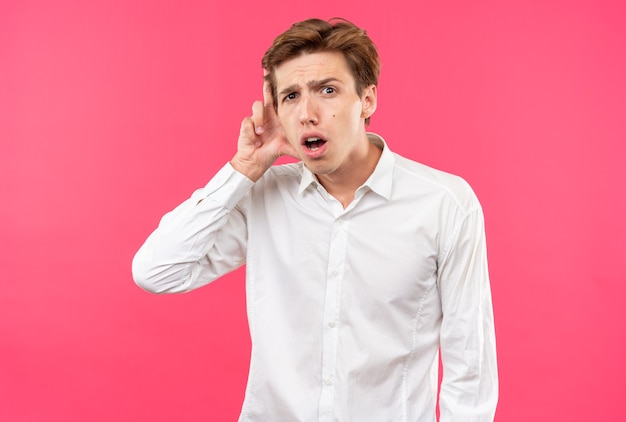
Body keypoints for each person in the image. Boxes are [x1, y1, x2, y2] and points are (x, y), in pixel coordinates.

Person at [132, 17, 498, 421]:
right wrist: (243, 169)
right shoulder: (262, 194)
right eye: (290, 96)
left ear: (368, 100)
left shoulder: (445, 203)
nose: (307, 113)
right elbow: (157, 271)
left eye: (327, 90)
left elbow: (470, 368)